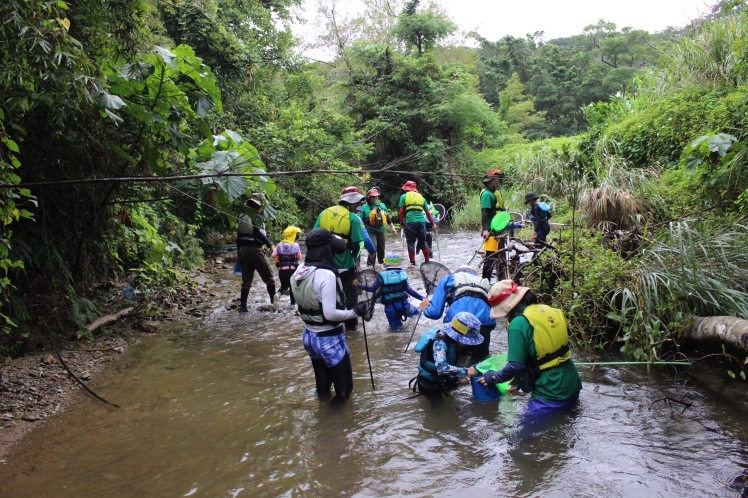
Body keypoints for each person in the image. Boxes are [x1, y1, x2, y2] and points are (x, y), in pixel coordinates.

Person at [472, 280, 582, 416]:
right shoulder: (549, 310)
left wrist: (492, 377)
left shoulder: (518, 323)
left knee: (522, 436)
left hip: (551, 389)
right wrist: (517, 382)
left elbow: (514, 366)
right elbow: (539, 354)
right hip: (571, 380)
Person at [291, 228, 367, 403]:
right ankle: (334, 426)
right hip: (328, 338)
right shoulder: (326, 274)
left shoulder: (300, 270)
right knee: (344, 391)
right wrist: (355, 312)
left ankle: (322, 418)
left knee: (323, 387)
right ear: (327, 249)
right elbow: (330, 314)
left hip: (309, 336)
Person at [314, 187, 366, 333]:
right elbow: (356, 244)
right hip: (344, 264)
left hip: (324, 264)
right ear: (351, 203)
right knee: (350, 297)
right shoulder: (353, 219)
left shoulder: (324, 213)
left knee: (326, 296)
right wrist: (355, 258)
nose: (357, 207)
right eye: (356, 204)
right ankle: (351, 328)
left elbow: (314, 236)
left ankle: (329, 325)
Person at [419, 265, 495, 359]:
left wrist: (424, 308)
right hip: (483, 325)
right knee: (480, 362)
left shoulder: (448, 279)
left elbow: (435, 313)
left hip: (458, 324)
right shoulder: (485, 283)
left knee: (453, 360)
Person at [411, 312, 484, 396]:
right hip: (429, 382)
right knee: (437, 406)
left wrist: (460, 378)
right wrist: (466, 371)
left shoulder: (453, 341)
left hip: (443, 378)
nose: (468, 344)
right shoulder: (440, 343)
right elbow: (441, 368)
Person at [236, 194, 277, 313]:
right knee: (270, 278)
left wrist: (238, 252)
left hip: (243, 250)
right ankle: (273, 304)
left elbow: (238, 236)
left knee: (247, 280)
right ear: (259, 206)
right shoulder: (256, 217)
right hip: (254, 250)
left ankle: (243, 307)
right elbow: (257, 233)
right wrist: (270, 245)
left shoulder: (242, 215)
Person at [378, 253, 424, 330]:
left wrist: (359, 285)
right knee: (418, 313)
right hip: (404, 305)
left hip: (390, 309)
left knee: (396, 330)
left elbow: (372, 290)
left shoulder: (381, 278)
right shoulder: (401, 276)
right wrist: (423, 298)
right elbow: (410, 290)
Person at [398, 180, 437, 267]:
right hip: (421, 222)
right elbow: (428, 213)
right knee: (423, 243)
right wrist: (433, 223)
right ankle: (427, 261)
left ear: (407, 189)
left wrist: (401, 222)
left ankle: (413, 263)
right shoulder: (422, 198)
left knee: (411, 243)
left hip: (410, 221)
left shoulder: (404, 196)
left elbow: (401, 211)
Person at [360, 187, 397, 267]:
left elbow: (387, 217)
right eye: (373, 196)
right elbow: (360, 221)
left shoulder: (382, 205)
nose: (375, 198)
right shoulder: (364, 207)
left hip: (380, 230)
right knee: (373, 247)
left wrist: (392, 227)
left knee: (381, 249)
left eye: (376, 196)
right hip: (370, 231)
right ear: (369, 198)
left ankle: (381, 264)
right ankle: (370, 265)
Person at [480, 169, 505, 281]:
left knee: (499, 255)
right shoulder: (486, 194)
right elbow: (484, 212)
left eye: (499, 178)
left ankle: (498, 281)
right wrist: (485, 229)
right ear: (489, 180)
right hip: (490, 230)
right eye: (495, 178)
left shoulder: (492, 193)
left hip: (496, 229)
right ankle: (485, 282)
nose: (498, 181)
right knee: (490, 257)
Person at [272, 226, 302, 306]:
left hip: (282, 270)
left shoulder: (280, 245)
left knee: (284, 286)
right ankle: (292, 305)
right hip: (292, 270)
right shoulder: (296, 245)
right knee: (292, 288)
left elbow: (273, 255)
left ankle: (278, 295)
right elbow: (299, 257)